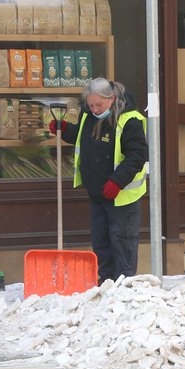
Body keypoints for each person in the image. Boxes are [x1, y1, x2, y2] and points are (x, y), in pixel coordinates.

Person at [48, 77, 148, 284]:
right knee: (101, 243)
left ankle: (124, 286)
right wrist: (65, 129)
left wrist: (117, 182)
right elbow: (84, 138)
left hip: (122, 197)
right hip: (98, 194)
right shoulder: (89, 116)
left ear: (111, 99)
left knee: (122, 242)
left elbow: (136, 157)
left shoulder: (130, 120)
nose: (94, 109)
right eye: (91, 105)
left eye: (99, 105)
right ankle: (107, 282)